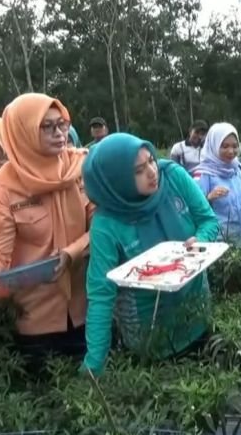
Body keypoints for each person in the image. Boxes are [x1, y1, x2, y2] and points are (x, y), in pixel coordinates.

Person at [81, 133, 218, 376]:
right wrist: (94, 365)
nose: (152, 172)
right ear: (116, 180)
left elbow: (207, 221)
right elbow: (101, 295)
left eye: (151, 161)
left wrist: (202, 241)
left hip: (197, 317)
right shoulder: (106, 224)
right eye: (138, 171)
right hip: (151, 339)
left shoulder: (173, 177)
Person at [0, 93, 93, 366]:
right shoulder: (3, 188)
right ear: (22, 131)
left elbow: (104, 224)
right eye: (47, 126)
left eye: (62, 124)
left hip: (88, 309)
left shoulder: (82, 166)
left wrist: (72, 253)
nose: (59, 133)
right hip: (35, 319)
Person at [193, 122, 241, 245]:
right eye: (225, 146)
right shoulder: (203, 174)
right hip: (218, 245)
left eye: (235, 146)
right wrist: (209, 198)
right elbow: (194, 210)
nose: (231, 151)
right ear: (214, 146)